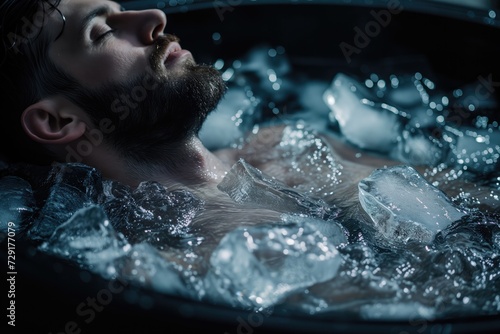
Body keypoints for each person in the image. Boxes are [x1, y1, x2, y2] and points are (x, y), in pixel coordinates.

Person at [0, 0, 496, 257]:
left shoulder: (289, 145)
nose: (154, 17)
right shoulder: (162, 259)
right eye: (104, 31)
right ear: (59, 120)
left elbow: (475, 204)